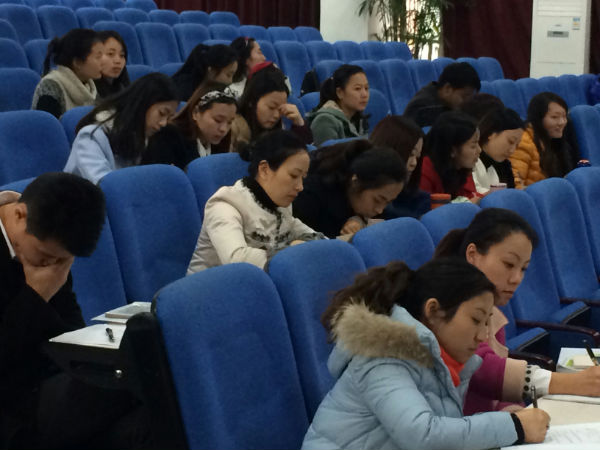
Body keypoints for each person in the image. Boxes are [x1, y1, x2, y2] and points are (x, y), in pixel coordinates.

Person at [302, 258, 550, 450]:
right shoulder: (382, 357)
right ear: (433, 311)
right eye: (476, 319)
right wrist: (513, 427)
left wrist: (501, 421)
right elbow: (422, 435)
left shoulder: (441, 361)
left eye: (487, 322)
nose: (483, 335)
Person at [0, 172, 154, 449]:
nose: (52, 267)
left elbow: (68, 330)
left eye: (63, 261)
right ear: (20, 216)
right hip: (12, 404)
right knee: (144, 384)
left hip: (50, 381)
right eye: (46, 257)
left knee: (152, 414)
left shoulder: (52, 249)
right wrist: (37, 295)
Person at [434, 208, 600, 415]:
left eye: (523, 269)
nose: (516, 279)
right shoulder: (447, 306)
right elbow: (481, 369)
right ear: (473, 255)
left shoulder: (492, 312)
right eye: (508, 264)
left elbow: (496, 394)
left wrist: (518, 415)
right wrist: (569, 382)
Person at [187, 130, 323, 273]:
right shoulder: (225, 204)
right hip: (215, 285)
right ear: (264, 170)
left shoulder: (280, 205)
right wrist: (292, 251)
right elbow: (236, 259)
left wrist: (307, 246)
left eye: (303, 178)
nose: (300, 186)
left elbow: (316, 239)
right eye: (294, 175)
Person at [64, 73, 179, 184]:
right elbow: (106, 186)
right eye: (162, 113)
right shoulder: (92, 136)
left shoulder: (143, 138)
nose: (164, 123)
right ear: (143, 103)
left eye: (169, 117)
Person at [293, 140, 406, 239]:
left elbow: (383, 220)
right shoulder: (310, 197)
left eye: (388, 202)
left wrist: (360, 220)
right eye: (377, 200)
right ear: (356, 182)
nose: (380, 210)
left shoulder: (373, 192)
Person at [143, 83, 237, 169]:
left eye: (229, 122)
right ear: (196, 112)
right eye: (218, 120)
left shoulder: (221, 145)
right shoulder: (169, 137)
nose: (224, 129)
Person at [228, 66, 310, 151]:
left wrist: (299, 124)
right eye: (271, 107)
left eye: (280, 109)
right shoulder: (232, 130)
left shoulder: (279, 129)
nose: (276, 115)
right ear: (251, 101)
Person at [510, 92, 578, 188]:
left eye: (564, 116)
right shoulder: (524, 142)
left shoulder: (555, 139)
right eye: (554, 117)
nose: (562, 122)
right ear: (538, 118)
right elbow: (515, 184)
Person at [32, 28, 103, 119]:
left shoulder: (91, 87)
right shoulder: (51, 85)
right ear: (77, 63)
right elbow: (48, 125)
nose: (103, 62)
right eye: (98, 57)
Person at [369, 115, 430, 218]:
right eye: (410, 154)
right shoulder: (367, 193)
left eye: (417, 157)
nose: (414, 163)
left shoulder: (421, 200)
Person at [419, 111, 482, 202]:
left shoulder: (461, 167)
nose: (479, 150)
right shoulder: (424, 171)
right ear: (452, 150)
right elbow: (425, 209)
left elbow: (470, 197)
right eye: (473, 146)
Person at [308, 64, 370, 146]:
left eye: (366, 88)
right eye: (357, 88)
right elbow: (328, 153)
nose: (364, 94)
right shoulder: (325, 121)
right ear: (340, 92)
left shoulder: (358, 120)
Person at [404, 62, 481, 127]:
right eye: (464, 96)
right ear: (447, 89)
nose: (467, 103)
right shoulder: (423, 109)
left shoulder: (445, 103)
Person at [472, 107, 525, 194]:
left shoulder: (504, 166)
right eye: (510, 141)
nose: (512, 151)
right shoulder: (468, 162)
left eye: (517, 145)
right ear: (491, 134)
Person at [171, 43, 238, 102]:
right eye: (228, 75)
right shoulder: (182, 90)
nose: (230, 81)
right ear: (211, 70)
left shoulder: (218, 93)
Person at [94, 30, 130, 99]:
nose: (118, 61)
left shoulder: (123, 87)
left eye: (122, 55)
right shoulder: (89, 92)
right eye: (110, 54)